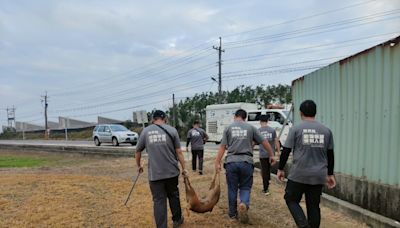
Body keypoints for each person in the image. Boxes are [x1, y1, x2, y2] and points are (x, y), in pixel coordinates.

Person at [277, 100, 336, 228]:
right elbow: (330, 154)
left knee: (291, 199)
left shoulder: (296, 129)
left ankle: (303, 225)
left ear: (300, 113)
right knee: (313, 206)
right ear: (315, 112)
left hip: (299, 173)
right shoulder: (326, 131)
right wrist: (330, 174)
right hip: (318, 175)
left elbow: (286, 150)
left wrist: (280, 168)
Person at [214, 109, 276, 223]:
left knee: (232, 188)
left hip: (231, 162)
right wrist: (271, 155)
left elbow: (222, 147)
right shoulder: (251, 128)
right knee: (245, 187)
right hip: (246, 162)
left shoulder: (228, 128)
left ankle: (233, 214)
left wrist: (217, 162)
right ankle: (244, 203)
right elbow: (264, 142)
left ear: (235, 116)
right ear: (245, 118)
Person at [136, 110, 188, 228]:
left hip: (155, 174)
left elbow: (138, 151)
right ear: (164, 118)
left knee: (159, 201)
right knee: (174, 195)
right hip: (172, 172)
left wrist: (138, 165)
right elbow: (179, 152)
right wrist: (184, 168)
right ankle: (177, 220)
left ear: (153, 119)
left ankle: (161, 226)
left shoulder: (146, 132)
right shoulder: (172, 130)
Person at [258, 114, 280, 196]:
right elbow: (276, 141)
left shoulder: (258, 131)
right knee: (268, 169)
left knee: (264, 171)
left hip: (262, 154)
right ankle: (268, 181)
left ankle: (265, 189)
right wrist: (278, 151)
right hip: (271, 155)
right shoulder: (272, 130)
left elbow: (254, 142)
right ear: (267, 121)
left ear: (260, 122)